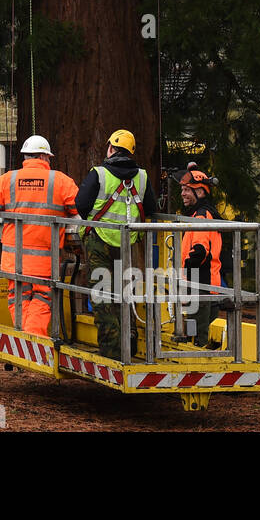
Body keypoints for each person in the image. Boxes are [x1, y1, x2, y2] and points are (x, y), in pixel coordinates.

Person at [0, 135, 80, 338]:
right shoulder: (59, 180)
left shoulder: (8, 179)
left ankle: (24, 339)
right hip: (44, 262)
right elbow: (79, 206)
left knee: (18, 296)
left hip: (14, 259)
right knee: (43, 298)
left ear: (25, 157)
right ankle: (32, 340)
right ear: (45, 156)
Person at [77, 129, 159, 361]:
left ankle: (112, 352)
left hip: (99, 242)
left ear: (111, 148)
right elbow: (151, 208)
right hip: (127, 243)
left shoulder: (99, 173)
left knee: (103, 296)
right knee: (125, 293)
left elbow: (82, 205)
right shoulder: (142, 177)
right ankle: (129, 345)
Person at [178, 163, 224, 348]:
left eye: (187, 189)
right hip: (200, 285)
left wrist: (185, 276)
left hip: (201, 286)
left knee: (198, 340)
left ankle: (201, 372)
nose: (183, 193)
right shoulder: (200, 214)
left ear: (201, 192)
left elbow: (199, 251)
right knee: (194, 334)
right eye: (182, 189)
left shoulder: (202, 216)